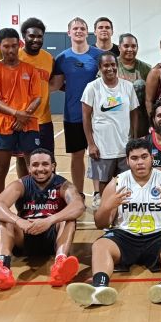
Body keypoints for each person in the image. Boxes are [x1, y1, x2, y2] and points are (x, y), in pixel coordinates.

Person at [66, 139, 161, 307]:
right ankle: (99, 287)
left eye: (144, 157)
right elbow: (100, 224)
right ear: (127, 161)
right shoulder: (117, 183)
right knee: (100, 246)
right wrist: (106, 208)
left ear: (151, 158)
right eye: (134, 158)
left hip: (160, 235)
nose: (140, 162)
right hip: (124, 236)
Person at [0, 148, 85, 289]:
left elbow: (78, 206)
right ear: (29, 167)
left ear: (53, 166)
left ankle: (60, 263)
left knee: (68, 219)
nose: (40, 169)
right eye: (35, 165)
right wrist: (19, 221)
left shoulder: (63, 185)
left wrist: (49, 220)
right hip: (26, 236)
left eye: (45, 164)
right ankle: (2, 268)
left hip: (53, 237)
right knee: (5, 221)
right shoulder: (21, 184)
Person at [0, 28, 41, 232]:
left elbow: (37, 97)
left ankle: (30, 209)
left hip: (29, 124)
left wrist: (24, 115)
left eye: (14, 46)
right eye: (6, 46)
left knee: (31, 169)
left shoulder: (30, 70)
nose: (10, 50)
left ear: (20, 45)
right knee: (0, 169)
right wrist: (18, 114)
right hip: (4, 126)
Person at [51, 17, 104, 201]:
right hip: (73, 114)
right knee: (77, 155)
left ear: (87, 32)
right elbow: (57, 84)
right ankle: (79, 194)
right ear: (69, 33)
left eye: (82, 28)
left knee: (96, 154)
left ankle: (98, 193)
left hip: (98, 115)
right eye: (75, 28)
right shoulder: (62, 58)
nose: (79, 31)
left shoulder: (98, 55)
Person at [82, 52, 139, 198]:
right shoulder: (92, 87)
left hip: (124, 145)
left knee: (126, 183)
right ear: (100, 67)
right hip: (102, 147)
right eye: (106, 65)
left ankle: (123, 215)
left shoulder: (128, 86)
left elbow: (134, 113)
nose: (110, 68)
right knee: (104, 183)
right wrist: (91, 144)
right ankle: (106, 213)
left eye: (113, 64)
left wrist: (134, 139)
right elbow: (86, 118)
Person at [17, 17, 55, 177]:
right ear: (24, 36)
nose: (36, 39)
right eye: (32, 36)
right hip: (22, 119)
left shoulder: (49, 58)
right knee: (22, 160)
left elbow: (53, 82)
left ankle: (49, 196)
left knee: (49, 159)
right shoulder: (15, 57)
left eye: (39, 36)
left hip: (44, 120)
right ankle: (24, 194)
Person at [117, 33, 151, 138]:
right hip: (117, 113)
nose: (130, 49)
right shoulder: (111, 65)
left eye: (133, 46)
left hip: (140, 117)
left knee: (139, 84)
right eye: (126, 46)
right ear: (119, 47)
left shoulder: (147, 68)